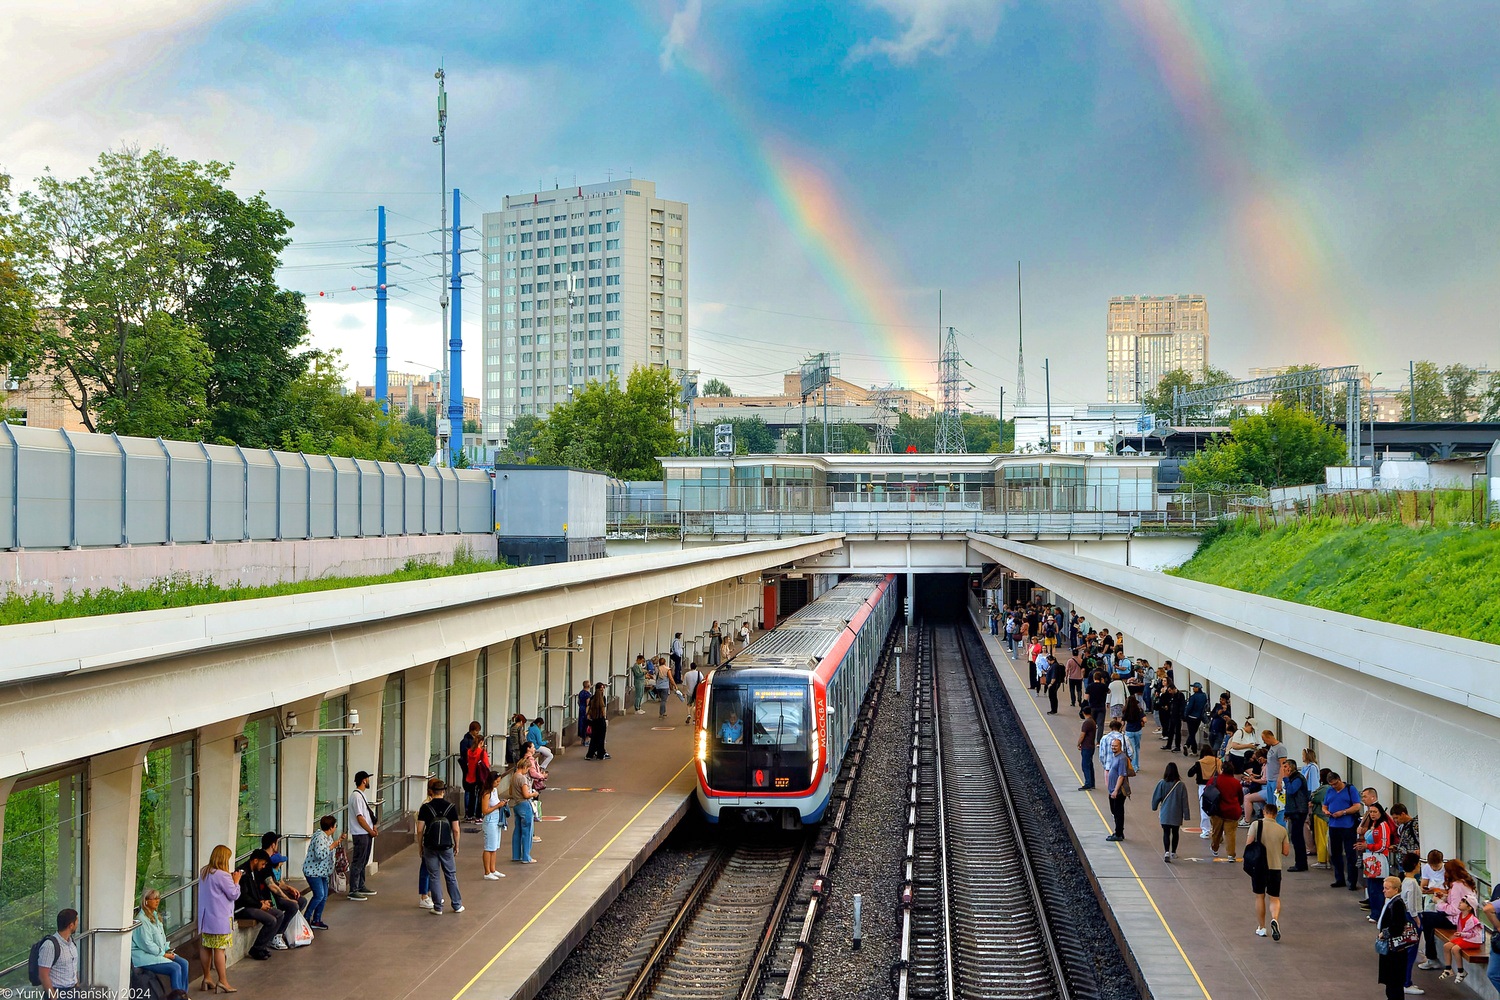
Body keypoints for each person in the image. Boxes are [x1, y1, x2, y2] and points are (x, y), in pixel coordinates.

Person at [1418, 860, 1479, 972]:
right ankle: (1431, 956)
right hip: (1464, 919)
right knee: (1430, 920)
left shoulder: (1456, 886)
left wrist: (1438, 902)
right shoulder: (1466, 883)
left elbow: (1454, 910)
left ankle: (1431, 957)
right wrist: (1446, 897)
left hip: (1456, 921)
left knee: (1426, 918)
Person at [196, 845, 240, 993]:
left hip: (205, 918)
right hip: (220, 919)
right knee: (219, 950)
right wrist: (236, 881)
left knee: (206, 947)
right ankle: (223, 981)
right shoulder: (223, 875)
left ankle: (207, 977)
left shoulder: (204, 871)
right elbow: (233, 894)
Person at [417, 778, 463, 915]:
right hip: (446, 846)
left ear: (431, 792)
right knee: (450, 875)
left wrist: (420, 846)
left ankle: (437, 907)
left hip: (430, 846)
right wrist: (457, 845)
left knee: (434, 876)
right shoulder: (451, 807)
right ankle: (457, 904)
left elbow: (420, 829)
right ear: (443, 791)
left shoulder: (425, 808)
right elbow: (456, 829)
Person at [1245, 802, 1291, 939]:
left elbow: (1248, 844)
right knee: (1274, 898)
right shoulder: (1282, 830)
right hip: (1275, 867)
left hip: (1259, 867)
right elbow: (1286, 851)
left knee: (1260, 896)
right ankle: (1275, 919)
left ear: (1264, 812)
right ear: (1276, 814)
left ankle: (1262, 927)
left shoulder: (1255, 825)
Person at [234, 850, 290, 958]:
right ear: (255, 861)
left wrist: (261, 901)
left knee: (279, 914)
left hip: (253, 904)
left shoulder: (253, 871)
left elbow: (254, 891)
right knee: (271, 920)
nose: (263, 867)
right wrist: (259, 905)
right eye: (263, 864)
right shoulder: (243, 873)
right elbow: (243, 897)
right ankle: (256, 949)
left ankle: (263, 946)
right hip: (242, 908)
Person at [301, 814, 343, 930]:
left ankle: (317, 919)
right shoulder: (320, 837)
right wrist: (332, 847)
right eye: (335, 826)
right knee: (319, 895)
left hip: (323, 872)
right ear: (331, 827)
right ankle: (306, 918)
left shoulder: (328, 837)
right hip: (314, 872)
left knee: (324, 896)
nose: (335, 828)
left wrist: (337, 843)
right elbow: (320, 855)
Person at [1322, 771, 1362, 891]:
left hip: (1348, 825)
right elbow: (1325, 805)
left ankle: (1352, 881)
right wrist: (1326, 811)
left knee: (1350, 854)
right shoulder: (1330, 791)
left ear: (1339, 780)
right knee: (1335, 853)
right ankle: (1339, 878)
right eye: (1332, 785)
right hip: (1334, 825)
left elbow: (1357, 806)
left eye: (1335, 784)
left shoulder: (1350, 789)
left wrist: (1344, 812)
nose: (1334, 786)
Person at [1379, 875, 1416, 1000]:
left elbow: (1398, 926)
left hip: (1395, 950)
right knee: (1392, 982)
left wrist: (1384, 933)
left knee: (1394, 981)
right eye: (1384, 888)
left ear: (1396, 889)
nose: (1384, 891)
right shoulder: (1392, 902)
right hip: (1392, 948)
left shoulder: (1397, 904)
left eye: (1387, 888)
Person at [1150, 762, 1190, 863]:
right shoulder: (1181, 785)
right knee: (1175, 832)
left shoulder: (1162, 783)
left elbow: (1156, 797)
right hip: (1176, 813)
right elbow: (1184, 801)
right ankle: (1173, 852)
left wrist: (1154, 807)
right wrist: (1186, 815)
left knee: (1166, 833)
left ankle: (1166, 851)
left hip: (1165, 813)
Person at [36, 909, 80, 998]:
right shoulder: (50, 945)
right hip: (58, 992)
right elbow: (43, 975)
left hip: (73, 991)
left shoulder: (71, 943)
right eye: (76, 922)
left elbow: (72, 966)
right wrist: (53, 997)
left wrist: (77, 984)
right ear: (71, 925)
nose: (77, 924)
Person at [347, 770, 378, 900]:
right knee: (358, 861)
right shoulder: (356, 797)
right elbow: (360, 817)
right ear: (364, 780)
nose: (369, 781)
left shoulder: (361, 795)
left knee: (363, 860)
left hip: (366, 833)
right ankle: (353, 889)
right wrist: (370, 830)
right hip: (361, 833)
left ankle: (360, 885)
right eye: (367, 779)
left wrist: (372, 827)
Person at [1362, 803, 1396, 915]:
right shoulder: (1374, 824)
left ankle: (1378, 913)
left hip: (1379, 859)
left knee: (1377, 888)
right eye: (1370, 812)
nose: (1372, 814)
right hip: (1370, 858)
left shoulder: (1383, 825)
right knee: (1371, 887)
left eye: (1374, 812)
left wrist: (1368, 846)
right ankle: (1374, 912)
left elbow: (1383, 845)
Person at [1439, 897, 1483, 982]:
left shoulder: (1472, 919)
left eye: (1463, 902)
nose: (1460, 903)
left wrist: (1462, 934)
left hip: (1473, 940)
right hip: (1464, 937)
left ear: (1469, 907)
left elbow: (1474, 934)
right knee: (1446, 946)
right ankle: (1448, 969)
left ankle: (1460, 971)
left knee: (1455, 949)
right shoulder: (1460, 915)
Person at [1277, 758, 1310, 871]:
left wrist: (1285, 779)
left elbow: (1291, 791)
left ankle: (1301, 864)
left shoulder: (1297, 778)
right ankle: (1300, 863)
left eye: (1285, 767)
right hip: (1294, 810)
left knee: (1297, 837)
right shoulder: (1293, 778)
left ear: (1291, 768)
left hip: (1299, 811)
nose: (1284, 769)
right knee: (1295, 837)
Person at [505, 756, 538, 864]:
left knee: (518, 830)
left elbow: (510, 792)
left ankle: (516, 855)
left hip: (516, 805)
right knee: (527, 831)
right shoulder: (522, 778)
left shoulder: (513, 777)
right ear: (524, 767)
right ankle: (526, 857)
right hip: (524, 805)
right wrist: (534, 793)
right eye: (527, 768)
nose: (527, 771)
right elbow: (526, 794)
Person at [1209, 765, 1244, 862]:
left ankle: (1215, 848)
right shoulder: (1236, 783)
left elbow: (1207, 792)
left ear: (1222, 770)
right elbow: (1241, 798)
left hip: (1217, 811)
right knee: (1230, 834)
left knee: (1216, 832)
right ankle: (1231, 855)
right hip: (1232, 811)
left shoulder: (1214, 780)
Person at [1104, 719, 1131, 842]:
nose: (1114, 748)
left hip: (1118, 791)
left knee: (1118, 812)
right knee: (1115, 811)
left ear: (1120, 747)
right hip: (1113, 790)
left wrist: (1115, 790)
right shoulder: (1116, 756)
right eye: (1113, 746)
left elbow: (1121, 775)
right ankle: (1119, 831)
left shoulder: (1121, 758)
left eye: (1116, 746)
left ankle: (1118, 833)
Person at [479, 770, 509, 881]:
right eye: (496, 781)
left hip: (497, 820)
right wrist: (498, 805)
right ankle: (487, 872)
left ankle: (493, 869)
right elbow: (485, 810)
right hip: (490, 820)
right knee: (489, 847)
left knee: (494, 846)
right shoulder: (486, 793)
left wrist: (501, 803)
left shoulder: (494, 791)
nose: (498, 783)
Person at [1188, 748, 1219, 840]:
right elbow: (1221, 772)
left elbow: (1190, 773)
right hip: (1215, 786)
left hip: (1202, 786)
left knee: (1204, 808)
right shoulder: (1217, 761)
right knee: (1216, 808)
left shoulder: (1199, 762)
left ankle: (1205, 830)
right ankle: (1217, 830)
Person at [461, 722, 489, 823]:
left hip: (470, 776)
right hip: (480, 777)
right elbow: (486, 765)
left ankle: (469, 815)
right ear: (481, 742)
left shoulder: (469, 752)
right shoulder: (482, 753)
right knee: (480, 796)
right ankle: (478, 816)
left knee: (472, 796)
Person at [1158, 682, 1185, 752]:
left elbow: (1182, 706)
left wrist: (1181, 715)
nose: (1169, 692)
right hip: (1172, 715)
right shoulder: (1172, 696)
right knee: (1171, 730)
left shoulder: (1180, 695)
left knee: (1177, 731)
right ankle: (1169, 745)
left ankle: (1177, 746)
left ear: (1174, 689)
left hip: (1177, 716)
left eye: (1170, 690)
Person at [586, 683, 610, 759]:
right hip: (601, 720)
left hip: (594, 720)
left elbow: (588, 710)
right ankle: (601, 753)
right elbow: (603, 711)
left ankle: (590, 754)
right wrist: (605, 718)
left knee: (594, 738)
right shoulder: (603, 698)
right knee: (601, 738)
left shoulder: (592, 698)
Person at [1183, 682, 1208, 755]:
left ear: (1198, 688)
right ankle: (1187, 745)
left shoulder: (1193, 697)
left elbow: (1189, 707)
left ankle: (1193, 750)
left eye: (1194, 687)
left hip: (1191, 717)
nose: (1193, 688)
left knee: (1192, 734)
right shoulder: (1204, 696)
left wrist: (1185, 715)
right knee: (1193, 732)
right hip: (1198, 717)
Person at [1076, 706, 1097, 791]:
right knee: (1089, 764)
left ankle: (1088, 783)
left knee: (1085, 765)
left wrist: (1078, 743)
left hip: (1086, 747)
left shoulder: (1086, 723)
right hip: (1091, 746)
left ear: (1083, 713)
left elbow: (1082, 735)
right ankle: (1092, 783)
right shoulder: (1092, 721)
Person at [1121, 694, 1145, 766]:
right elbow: (1145, 719)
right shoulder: (1139, 710)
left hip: (1129, 731)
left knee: (1131, 749)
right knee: (1137, 748)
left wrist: (1120, 729)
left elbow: (1122, 722)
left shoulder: (1125, 711)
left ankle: (1133, 765)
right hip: (1138, 730)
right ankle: (1136, 765)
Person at [576, 681, 593, 747]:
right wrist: (588, 712)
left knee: (581, 723)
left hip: (581, 709)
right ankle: (586, 739)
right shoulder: (588, 694)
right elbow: (588, 703)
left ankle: (582, 739)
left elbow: (579, 702)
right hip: (585, 709)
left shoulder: (580, 693)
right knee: (587, 724)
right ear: (588, 686)